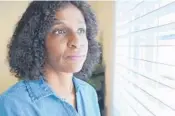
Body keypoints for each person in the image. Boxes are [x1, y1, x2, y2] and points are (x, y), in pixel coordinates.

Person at [0, 1, 101, 116]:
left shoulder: (89, 93)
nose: (77, 42)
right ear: (37, 41)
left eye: (81, 30)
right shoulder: (13, 104)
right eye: (60, 31)